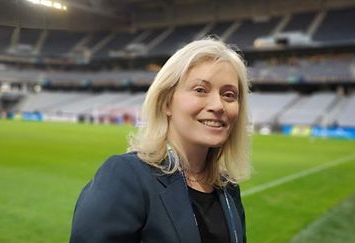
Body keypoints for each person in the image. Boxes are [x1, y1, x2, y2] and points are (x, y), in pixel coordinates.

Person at [70, 38, 251, 243]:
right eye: (200, 90)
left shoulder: (228, 188)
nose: (218, 106)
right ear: (166, 102)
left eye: (229, 95)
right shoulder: (127, 176)